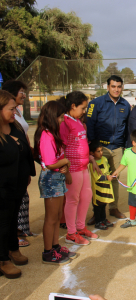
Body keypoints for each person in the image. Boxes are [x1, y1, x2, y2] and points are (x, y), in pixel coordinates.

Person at [34, 101, 76, 265]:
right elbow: (50, 163)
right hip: (50, 179)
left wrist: (64, 167)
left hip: (57, 177)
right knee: (51, 218)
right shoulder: (46, 135)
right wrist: (66, 162)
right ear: (52, 117)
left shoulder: (52, 134)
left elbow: (56, 161)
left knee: (58, 215)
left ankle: (55, 246)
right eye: (59, 117)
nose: (61, 120)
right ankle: (47, 252)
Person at [0, 90, 35, 278]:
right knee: (3, 224)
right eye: (11, 109)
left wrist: (29, 171)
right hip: (2, 189)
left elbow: (26, 151)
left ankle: (13, 250)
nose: (15, 112)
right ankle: (2, 259)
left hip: (17, 185)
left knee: (13, 220)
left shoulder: (15, 127)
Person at [86, 75, 131, 221]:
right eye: (113, 86)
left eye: (119, 86)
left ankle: (113, 208)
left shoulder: (125, 105)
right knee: (100, 179)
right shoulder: (95, 103)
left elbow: (127, 128)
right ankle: (97, 211)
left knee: (114, 178)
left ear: (122, 87)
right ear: (108, 87)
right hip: (101, 148)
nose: (116, 89)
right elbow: (90, 125)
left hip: (118, 148)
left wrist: (125, 146)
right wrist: (93, 147)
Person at [60, 92, 98, 245]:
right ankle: (71, 233)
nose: (84, 111)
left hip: (83, 166)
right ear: (73, 106)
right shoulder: (64, 122)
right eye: (83, 108)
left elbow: (82, 143)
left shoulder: (78, 121)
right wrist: (66, 169)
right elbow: (61, 147)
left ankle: (80, 227)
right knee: (72, 200)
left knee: (86, 196)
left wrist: (90, 158)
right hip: (73, 168)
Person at [2, 80, 32, 246]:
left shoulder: (18, 113)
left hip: (21, 163)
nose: (24, 94)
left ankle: (19, 233)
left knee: (21, 199)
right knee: (10, 205)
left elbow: (24, 135)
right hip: (11, 165)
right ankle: (14, 237)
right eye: (21, 91)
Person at [88, 140, 115, 230]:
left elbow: (108, 169)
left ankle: (103, 219)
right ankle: (98, 221)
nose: (101, 153)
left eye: (101, 150)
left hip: (106, 188)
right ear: (92, 153)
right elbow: (97, 178)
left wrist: (112, 174)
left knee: (104, 204)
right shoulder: (92, 164)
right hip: (98, 189)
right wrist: (107, 177)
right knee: (98, 206)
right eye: (98, 151)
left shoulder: (105, 159)